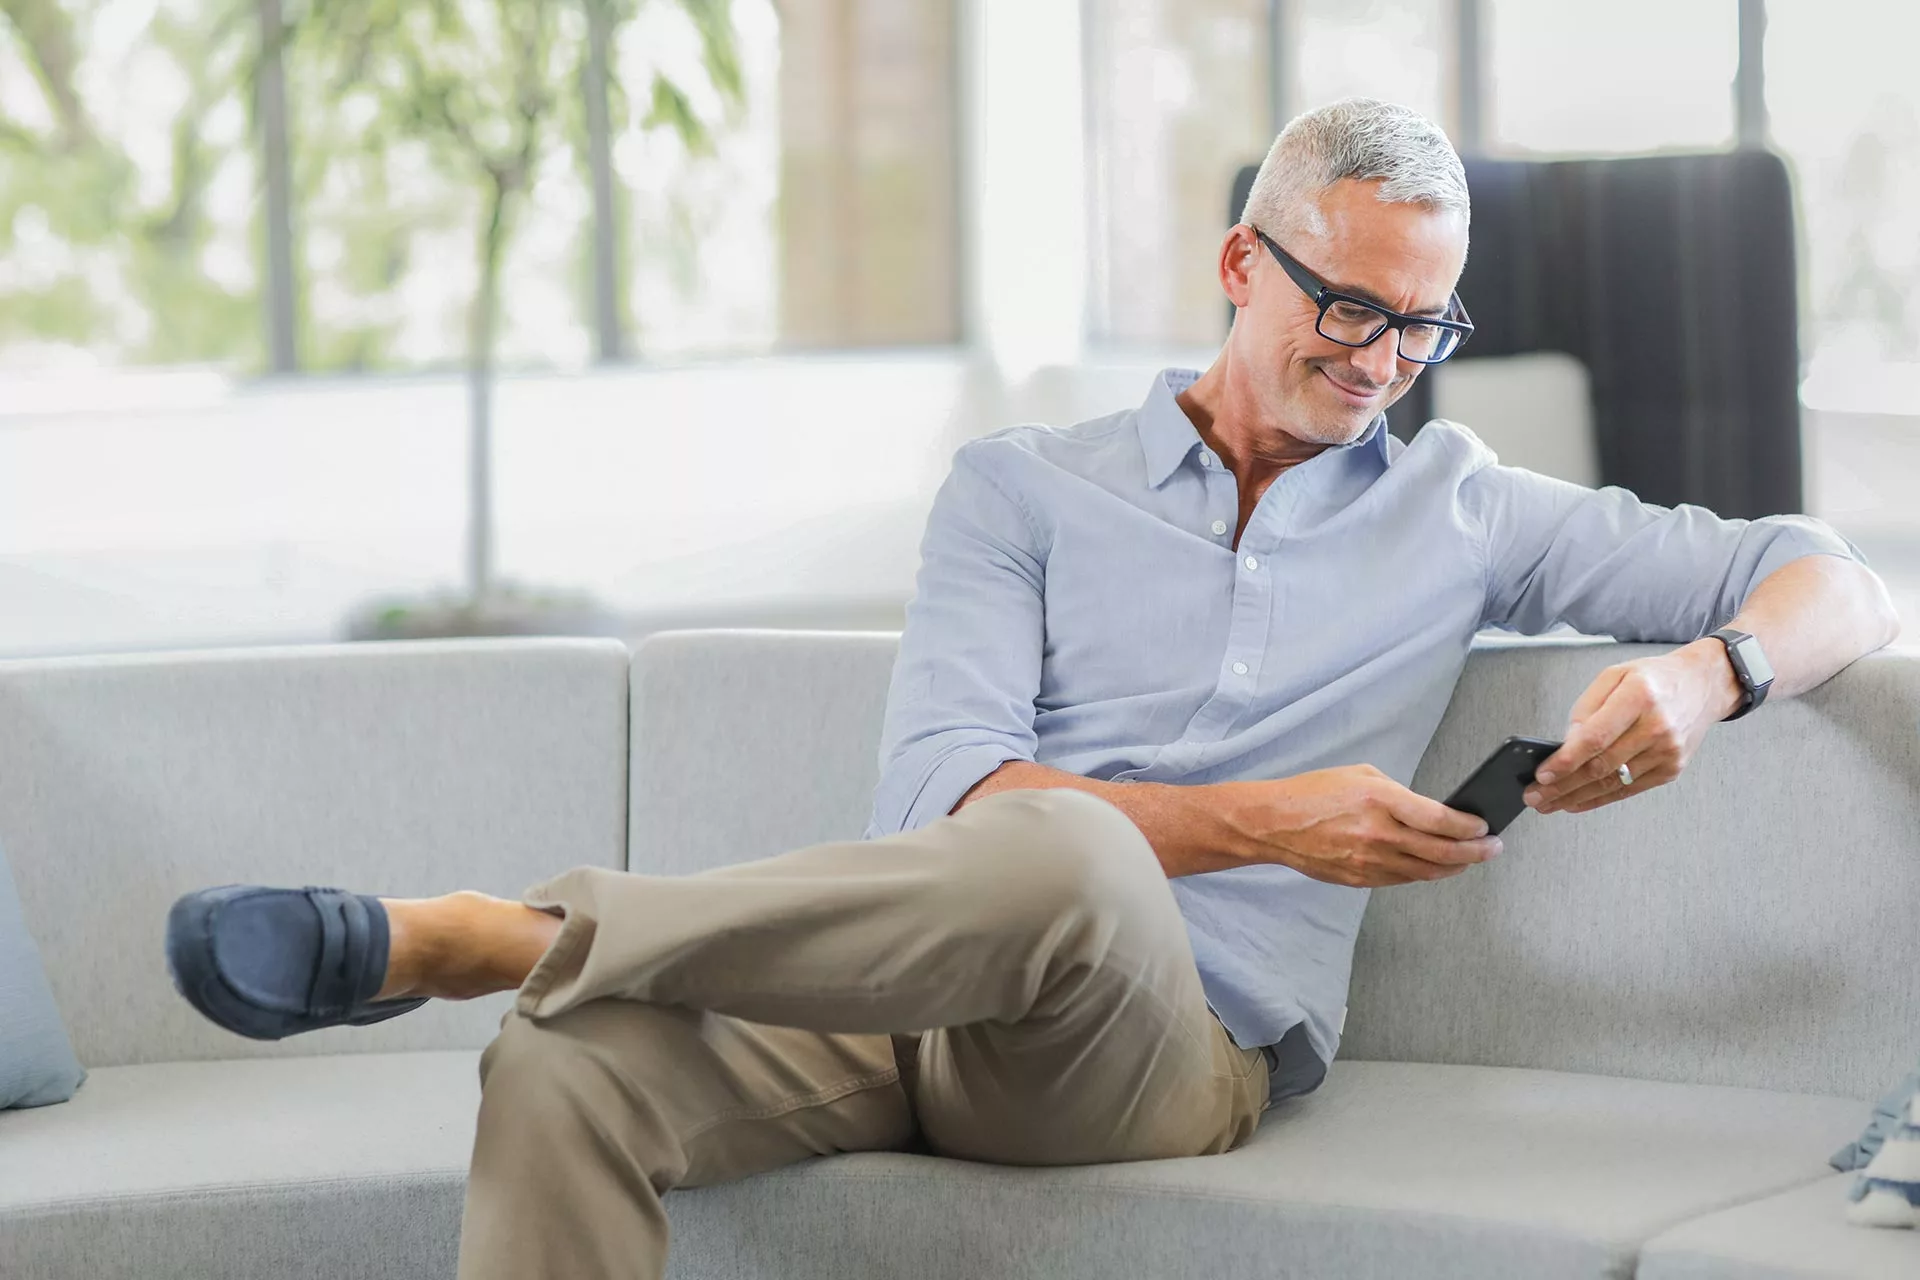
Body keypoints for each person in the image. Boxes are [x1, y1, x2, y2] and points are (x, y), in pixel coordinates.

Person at [163, 98, 1900, 1280]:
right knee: (563, 1068)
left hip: (1165, 1053)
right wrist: (1274, 818)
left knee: (1083, 854)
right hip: (897, 1004)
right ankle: (551, 972)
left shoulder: (1463, 511)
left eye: (1422, 329)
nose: (1380, 366)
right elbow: (941, 804)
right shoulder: (1020, 491)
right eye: (1347, 309)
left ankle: (506, 928)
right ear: (1242, 267)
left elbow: (1844, 577)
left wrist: (1709, 675)